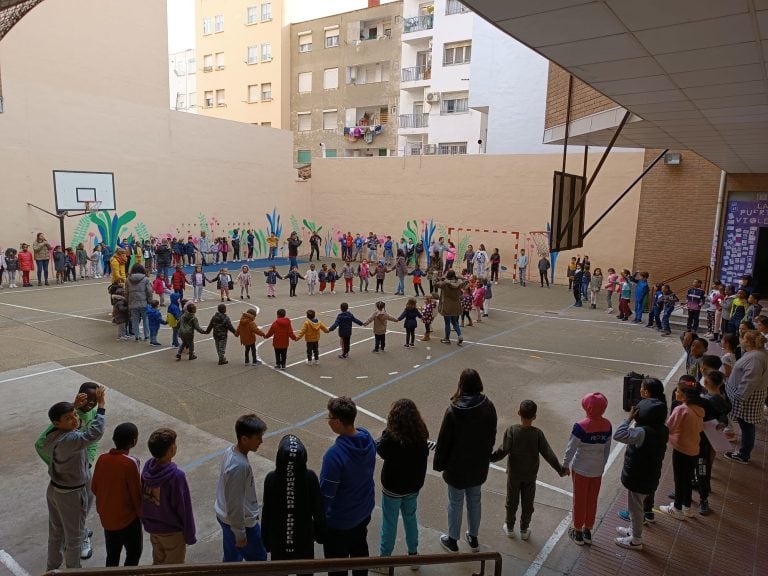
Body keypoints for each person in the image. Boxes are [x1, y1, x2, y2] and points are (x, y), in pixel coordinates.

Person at [40, 385, 106, 570]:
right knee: (74, 537)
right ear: (57, 423)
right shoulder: (70, 440)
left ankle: (52, 568)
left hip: (54, 489)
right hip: (70, 494)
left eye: (75, 415)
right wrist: (101, 406)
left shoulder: (51, 435)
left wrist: (73, 406)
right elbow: (95, 433)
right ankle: (73, 570)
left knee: (56, 532)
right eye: (68, 418)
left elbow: (59, 424)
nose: (75, 419)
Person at [434, 369, 497, 553]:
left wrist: (439, 463)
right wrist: (486, 453)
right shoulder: (488, 406)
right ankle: (473, 537)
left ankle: (452, 540)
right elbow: (492, 433)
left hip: (456, 466)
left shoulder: (453, 410)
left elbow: (444, 441)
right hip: (478, 464)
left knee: (455, 502)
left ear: (461, 385)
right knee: (475, 500)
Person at [490, 400, 567, 541]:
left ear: (518, 413)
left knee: (511, 500)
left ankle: (510, 527)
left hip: (514, 474)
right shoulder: (537, 434)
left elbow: (503, 450)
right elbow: (548, 453)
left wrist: (489, 458)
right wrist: (560, 469)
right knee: (528, 502)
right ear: (534, 416)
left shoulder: (512, 430)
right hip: (530, 475)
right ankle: (524, 529)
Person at [320, 396, 376, 576]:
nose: (328, 421)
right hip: (364, 511)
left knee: (337, 565)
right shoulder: (367, 438)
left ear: (338, 422)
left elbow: (326, 496)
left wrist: (319, 522)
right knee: (360, 552)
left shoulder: (334, 456)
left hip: (340, 522)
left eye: (329, 417)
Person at [375, 399, 429, 564]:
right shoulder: (421, 434)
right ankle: (413, 554)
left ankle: (385, 559)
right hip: (413, 486)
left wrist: (387, 430)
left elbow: (380, 448)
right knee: (410, 519)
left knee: (389, 523)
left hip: (393, 487)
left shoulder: (391, 438)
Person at [613, 397, 668, 551]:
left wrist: (628, 419)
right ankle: (632, 530)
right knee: (636, 507)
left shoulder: (642, 432)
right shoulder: (662, 429)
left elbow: (618, 435)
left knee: (635, 509)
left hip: (639, 477)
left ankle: (635, 539)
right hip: (649, 475)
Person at [262, 434, 326, 564]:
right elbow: (318, 510)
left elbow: (267, 513)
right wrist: (321, 535)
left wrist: (266, 541)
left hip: (279, 542)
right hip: (304, 540)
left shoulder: (271, 478)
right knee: (304, 569)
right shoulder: (310, 477)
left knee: (281, 570)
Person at [215, 415, 268, 562]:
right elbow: (235, 503)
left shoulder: (230, 451)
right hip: (241, 523)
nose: (261, 441)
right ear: (244, 439)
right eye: (257, 438)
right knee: (259, 558)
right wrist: (240, 533)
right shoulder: (239, 467)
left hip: (226, 517)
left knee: (232, 558)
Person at [562, 392, 612, 546]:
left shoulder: (580, 426)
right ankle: (587, 530)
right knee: (592, 500)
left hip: (581, 470)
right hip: (597, 471)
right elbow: (607, 449)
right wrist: (602, 466)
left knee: (579, 500)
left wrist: (565, 465)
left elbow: (571, 448)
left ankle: (577, 530)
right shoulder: (607, 425)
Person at [141, 428, 196, 564]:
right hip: (172, 532)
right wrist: (190, 535)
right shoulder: (176, 476)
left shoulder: (147, 469)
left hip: (153, 529)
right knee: (174, 567)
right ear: (171, 449)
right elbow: (184, 507)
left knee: (158, 562)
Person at [91, 422, 143, 566]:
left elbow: (94, 487)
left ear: (114, 439)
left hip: (107, 519)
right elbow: (136, 493)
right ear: (134, 441)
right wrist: (142, 515)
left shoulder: (102, 458)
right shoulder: (131, 462)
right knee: (134, 553)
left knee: (112, 555)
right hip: (127, 520)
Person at [659, 386, 704, 519]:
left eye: (678, 391)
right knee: (688, 479)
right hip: (694, 448)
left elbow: (670, 427)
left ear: (685, 396)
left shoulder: (681, 409)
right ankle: (687, 507)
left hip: (682, 449)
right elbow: (700, 429)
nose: (675, 392)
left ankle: (677, 508)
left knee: (679, 479)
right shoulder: (699, 409)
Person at [725, 330, 768, 464]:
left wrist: (739, 397)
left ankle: (744, 454)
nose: (741, 341)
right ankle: (744, 452)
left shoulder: (755, 357)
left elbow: (750, 380)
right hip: (747, 395)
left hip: (747, 397)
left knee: (747, 425)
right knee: (746, 425)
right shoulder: (756, 353)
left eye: (743, 338)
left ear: (748, 342)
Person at [435, 270, 468, 345]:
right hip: (456, 305)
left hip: (447, 305)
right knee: (454, 322)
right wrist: (459, 276)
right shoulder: (459, 283)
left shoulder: (444, 284)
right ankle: (460, 336)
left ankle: (447, 338)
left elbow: (435, 284)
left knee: (447, 323)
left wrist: (437, 276)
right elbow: (466, 280)